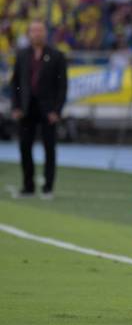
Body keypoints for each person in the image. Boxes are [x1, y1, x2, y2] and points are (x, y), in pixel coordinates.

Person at [11, 21, 67, 198]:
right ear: (28, 33)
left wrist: (57, 111)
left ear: (45, 33)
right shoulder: (21, 55)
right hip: (27, 109)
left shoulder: (57, 55)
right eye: (33, 30)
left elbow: (62, 85)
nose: (37, 34)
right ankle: (28, 186)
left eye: (40, 30)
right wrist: (16, 106)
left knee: (49, 148)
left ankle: (48, 187)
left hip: (48, 110)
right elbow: (16, 83)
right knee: (24, 147)